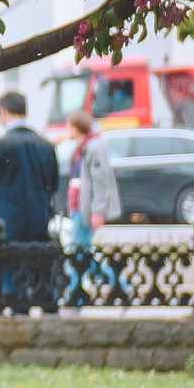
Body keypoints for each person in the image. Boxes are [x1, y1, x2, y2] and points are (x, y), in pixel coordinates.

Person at [0, 90, 60, 312]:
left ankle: (15, 314)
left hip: (6, 223)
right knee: (34, 273)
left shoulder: (1, 145)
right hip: (38, 222)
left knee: (9, 280)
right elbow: (55, 184)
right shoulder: (46, 145)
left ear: (3, 112)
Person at [63, 109, 126, 304]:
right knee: (84, 250)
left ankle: (76, 294)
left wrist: (97, 211)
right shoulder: (85, 146)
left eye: (69, 126)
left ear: (76, 127)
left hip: (85, 208)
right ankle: (120, 285)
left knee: (77, 251)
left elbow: (100, 182)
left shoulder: (92, 147)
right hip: (80, 206)